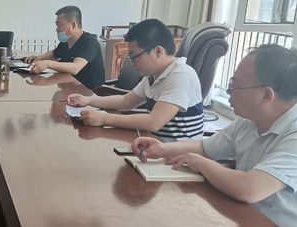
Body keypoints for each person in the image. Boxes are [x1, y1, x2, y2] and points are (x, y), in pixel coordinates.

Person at [133, 45, 297, 227]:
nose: (228, 91)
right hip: (248, 224)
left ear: (266, 95)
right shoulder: (252, 120)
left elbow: (250, 188)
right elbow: (205, 148)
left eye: (235, 86)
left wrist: (200, 163)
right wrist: (163, 149)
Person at [66, 19, 204, 141]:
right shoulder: (153, 76)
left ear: (158, 51)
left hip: (179, 155)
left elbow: (153, 122)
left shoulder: (181, 75)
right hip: (155, 145)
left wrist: (104, 118)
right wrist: (89, 100)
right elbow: (125, 101)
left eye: (134, 56)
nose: (132, 63)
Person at [26, 6, 105, 90]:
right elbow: (54, 53)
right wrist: (39, 58)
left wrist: (47, 64)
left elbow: (76, 68)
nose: (57, 29)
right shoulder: (67, 41)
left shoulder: (89, 42)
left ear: (73, 25)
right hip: (69, 87)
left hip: (88, 92)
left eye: (59, 25)